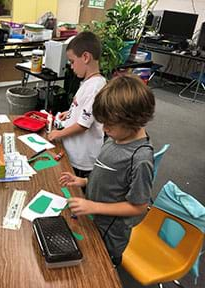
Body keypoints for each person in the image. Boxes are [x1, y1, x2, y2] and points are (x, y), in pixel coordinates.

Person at [59, 74, 155, 265]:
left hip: (110, 236)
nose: (104, 129)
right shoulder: (115, 139)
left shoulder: (140, 158)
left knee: (99, 270)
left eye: (109, 124)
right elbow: (110, 177)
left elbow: (139, 206)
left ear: (132, 120)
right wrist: (84, 181)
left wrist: (94, 206)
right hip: (92, 221)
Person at [48, 31, 106, 179]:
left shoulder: (95, 87)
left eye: (72, 61)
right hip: (73, 150)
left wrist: (58, 133)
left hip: (81, 158)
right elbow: (84, 109)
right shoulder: (89, 83)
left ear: (86, 57)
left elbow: (83, 125)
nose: (71, 67)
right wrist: (70, 113)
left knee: (74, 191)